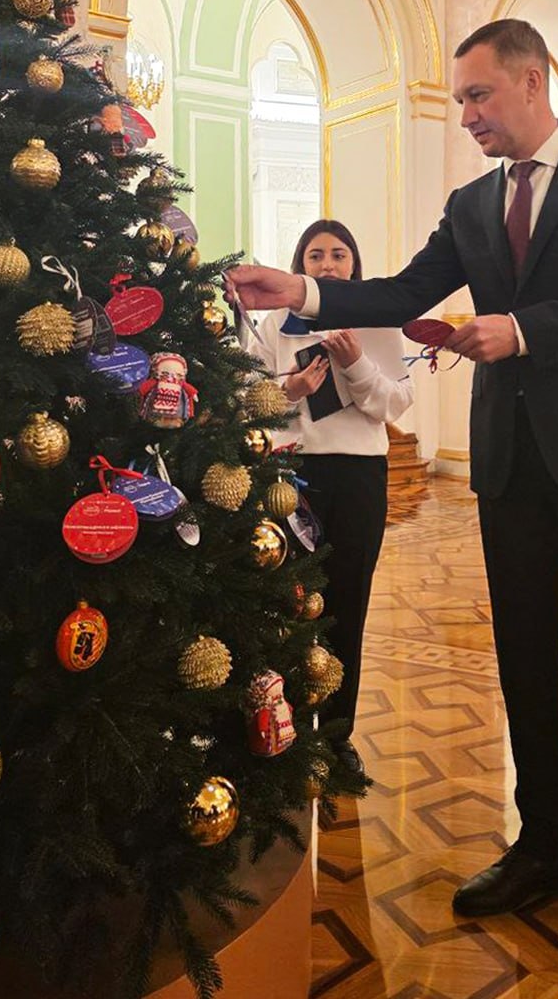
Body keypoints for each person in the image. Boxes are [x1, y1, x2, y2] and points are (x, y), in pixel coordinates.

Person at [227, 20, 558, 990]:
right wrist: (303, 291)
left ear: (531, 81)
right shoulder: (472, 203)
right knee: (525, 662)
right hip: (514, 466)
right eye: (462, 99)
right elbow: (401, 289)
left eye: (479, 96)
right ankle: (542, 848)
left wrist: (521, 329)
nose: (468, 114)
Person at [246, 220, 413, 776]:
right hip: (292, 471)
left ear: (353, 265)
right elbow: (247, 399)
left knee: (347, 606)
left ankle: (338, 736)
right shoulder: (275, 324)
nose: (327, 265)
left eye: (339, 255)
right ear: (300, 266)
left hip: (360, 476)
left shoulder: (381, 321)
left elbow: (396, 405)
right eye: (315, 255)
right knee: (287, 603)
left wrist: (357, 364)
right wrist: (288, 391)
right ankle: (282, 726)